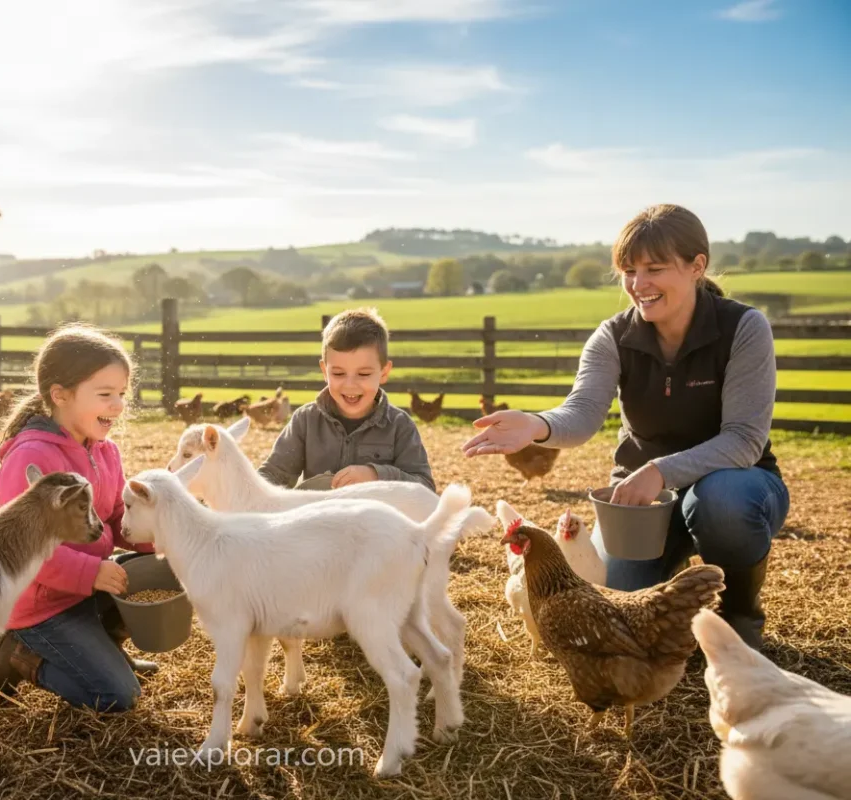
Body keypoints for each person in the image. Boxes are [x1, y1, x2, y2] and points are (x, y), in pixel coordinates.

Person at [463, 204, 788, 650]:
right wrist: (537, 425)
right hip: (642, 504)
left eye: (654, 268)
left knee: (722, 502)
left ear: (697, 267)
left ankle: (739, 615)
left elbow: (744, 440)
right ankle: (668, 567)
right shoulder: (613, 336)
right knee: (620, 615)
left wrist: (659, 470)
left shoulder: (743, 328)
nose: (638, 285)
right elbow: (580, 413)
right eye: (628, 271)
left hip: (732, 485)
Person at [0, 324, 157, 712]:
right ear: (60, 395)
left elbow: (115, 515)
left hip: (85, 589)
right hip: (40, 605)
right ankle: (25, 658)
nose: (118, 405)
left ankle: (101, 649)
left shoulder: (104, 450)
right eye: (105, 394)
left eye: (122, 394)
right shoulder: (32, 458)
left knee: (154, 569)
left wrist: (159, 537)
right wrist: (90, 574)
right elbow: (24, 545)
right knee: (117, 697)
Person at [258, 307, 435, 492]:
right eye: (338, 373)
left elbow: (425, 489)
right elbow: (274, 475)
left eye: (364, 373)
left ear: (384, 372)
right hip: (318, 518)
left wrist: (377, 476)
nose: (350, 385)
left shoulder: (400, 426)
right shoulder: (305, 421)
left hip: (376, 520)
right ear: (324, 371)